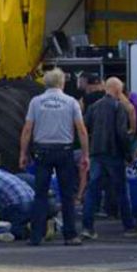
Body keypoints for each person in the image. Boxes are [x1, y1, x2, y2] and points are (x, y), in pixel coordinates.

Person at [19, 67, 89, 246]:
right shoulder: (71, 102)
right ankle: (70, 235)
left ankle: (36, 236)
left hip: (42, 151)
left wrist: (23, 153)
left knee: (40, 195)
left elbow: (27, 129)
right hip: (64, 151)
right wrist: (85, 154)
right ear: (62, 83)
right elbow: (81, 130)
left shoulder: (36, 102)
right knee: (67, 195)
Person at [82, 77, 137, 239]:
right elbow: (121, 134)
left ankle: (87, 227)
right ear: (118, 90)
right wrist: (128, 155)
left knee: (92, 190)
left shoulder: (94, 107)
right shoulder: (119, 107)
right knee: (121, 191)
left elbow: (85, 127)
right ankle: (129, 226)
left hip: (96, 153)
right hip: (114, 154)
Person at [0, 150, 35, 240]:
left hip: (18, 206)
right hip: (33, 203)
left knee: (9, 230)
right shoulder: (5, 173)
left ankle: (21, 230)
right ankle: (38, 226)